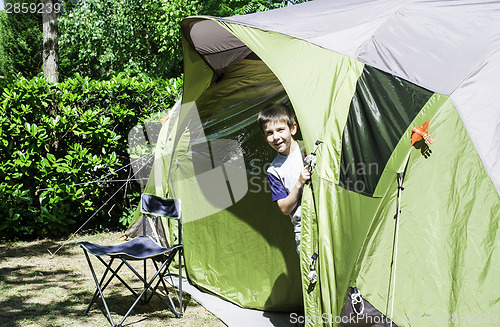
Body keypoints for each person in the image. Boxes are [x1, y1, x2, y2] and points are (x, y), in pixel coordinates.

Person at [257, 103, 310, 255]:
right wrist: (299, 183)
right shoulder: (274, 170)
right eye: (269, 133)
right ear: (264, 136)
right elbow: (285, 208)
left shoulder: (309, 147)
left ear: (293, 128)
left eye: (280, 130)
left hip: (328, 219)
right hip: (303, 229)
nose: (276, 137)